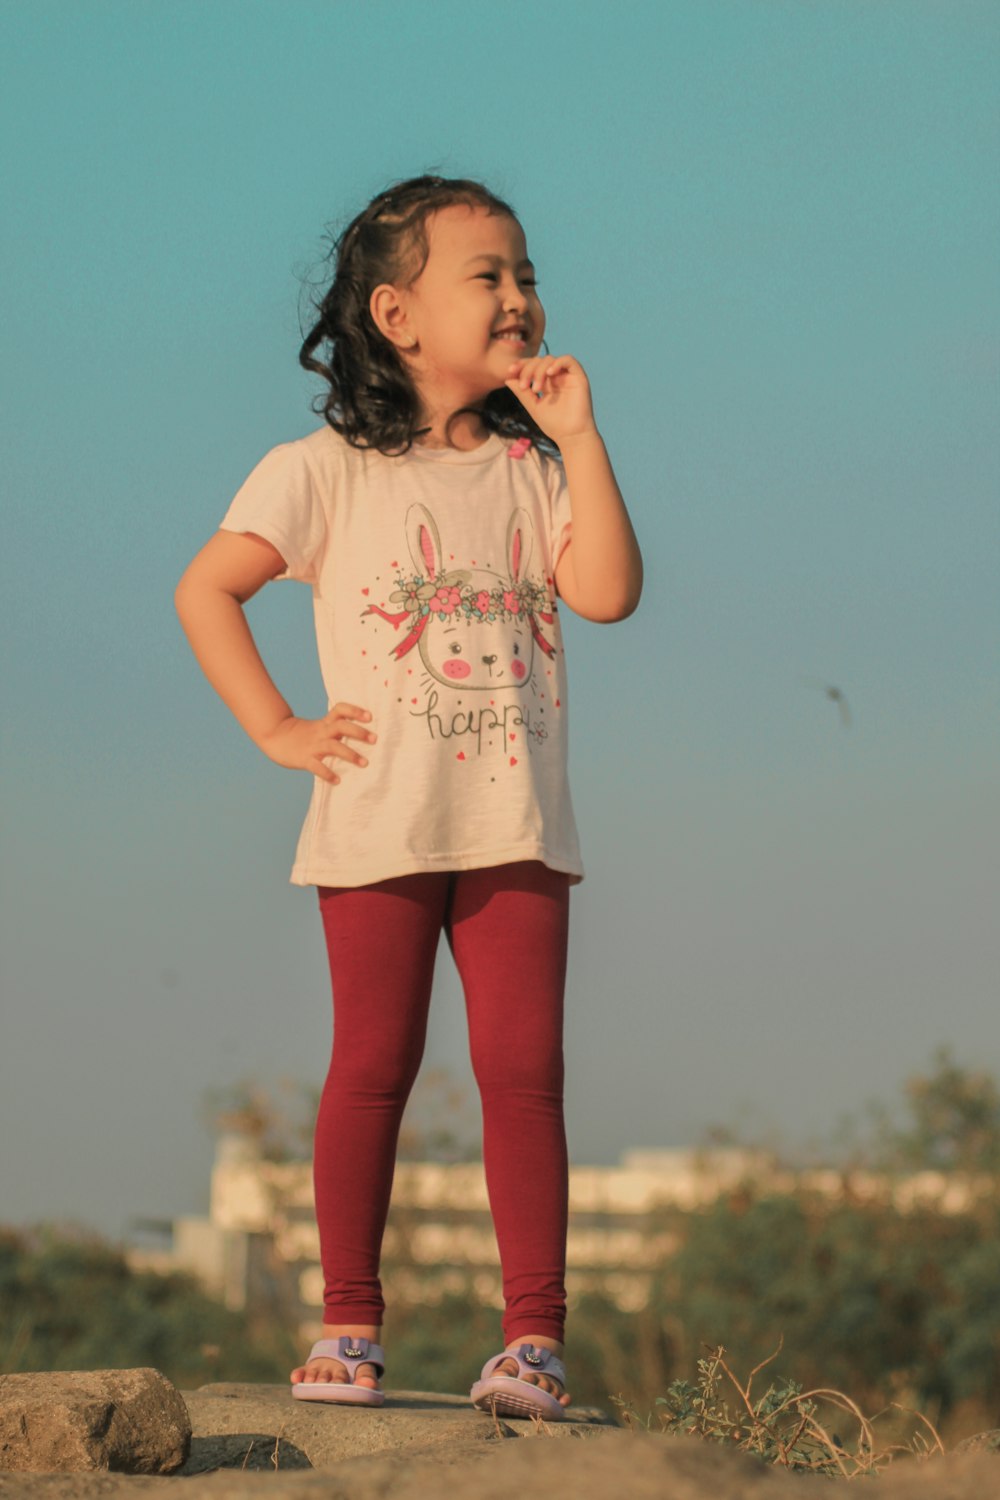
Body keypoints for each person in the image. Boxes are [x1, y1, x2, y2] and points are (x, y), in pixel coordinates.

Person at [175, 175, 642, 1420]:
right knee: (373, 1065)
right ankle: (347, 1328)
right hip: (377, 820)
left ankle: (531, 1342)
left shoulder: (536, 471)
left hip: (517, 827)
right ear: (396, 313)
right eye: (486, 275)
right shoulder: (322, 470)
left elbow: (604, 591)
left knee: (521, 1070)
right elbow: (205, 591)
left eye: (526, 273)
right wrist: (276, 725)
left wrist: (581, 437)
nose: (520, 297)